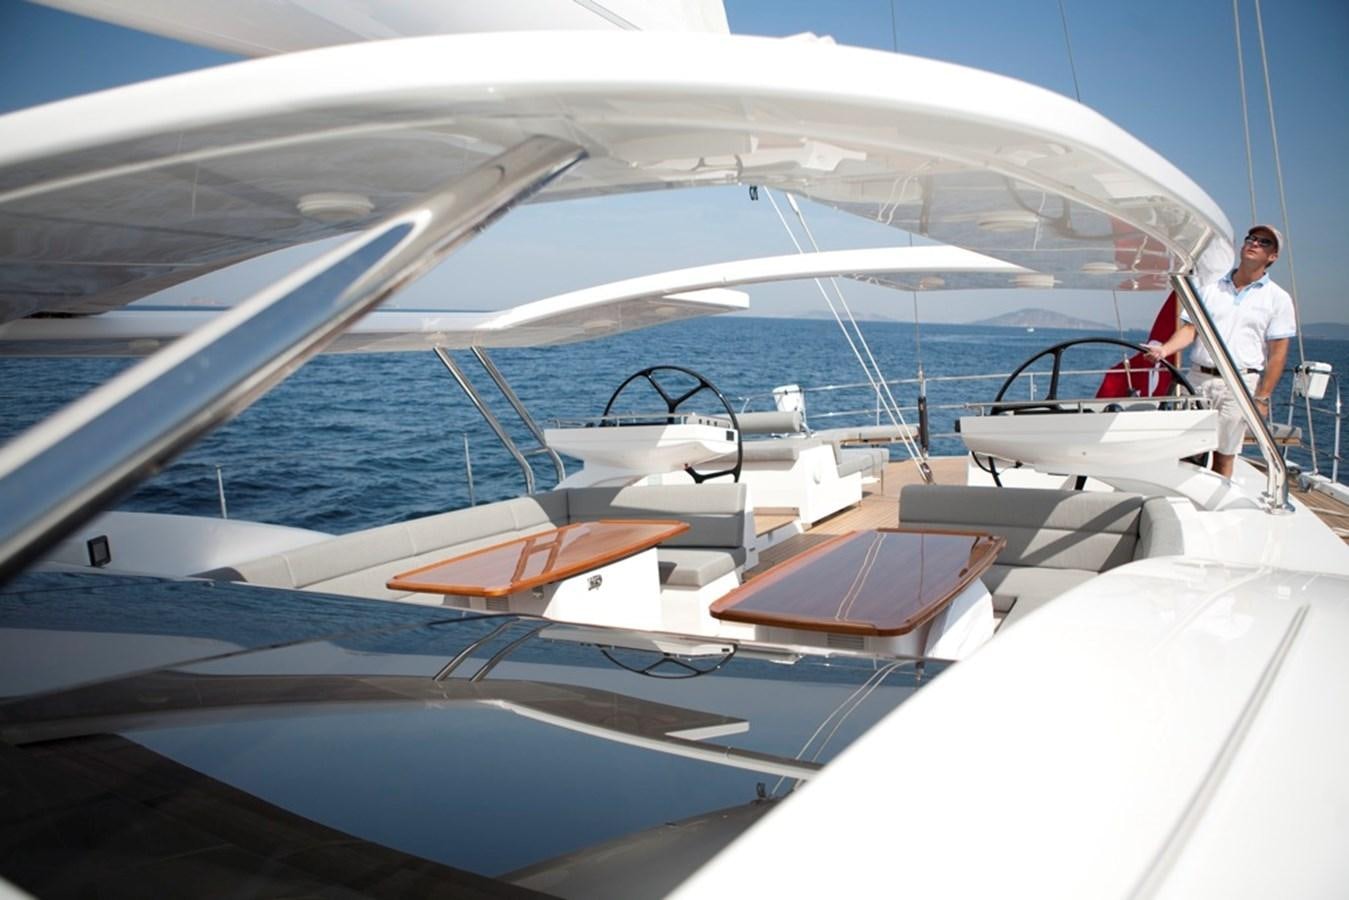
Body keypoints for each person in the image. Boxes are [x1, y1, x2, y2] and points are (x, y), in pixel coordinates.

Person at [1145, 224, 1295, 478]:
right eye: (1252, 238)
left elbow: (1278, 354)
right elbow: (1191, 330)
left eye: (1264, 242)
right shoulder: (1211, 288)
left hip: (1239, 383)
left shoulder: (1278, 299)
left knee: (1224, 455)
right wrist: (1164, 350)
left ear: (1272, 257)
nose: (1254, 243)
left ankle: (1215, 511)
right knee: (1185, 450)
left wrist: (1262, 397)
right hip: (1198, 378)